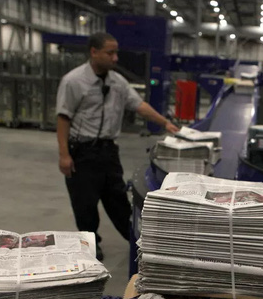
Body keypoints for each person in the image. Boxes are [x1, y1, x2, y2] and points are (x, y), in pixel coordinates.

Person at [56, 32, 179, 261]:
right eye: (109, 52)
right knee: (85, 204)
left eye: (116, 53)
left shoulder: (117, 82)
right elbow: (63, 118)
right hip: (82, 152)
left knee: (118, 200)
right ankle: (91, 243)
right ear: (94, 52)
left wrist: (165, 123)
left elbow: (139, 105)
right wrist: (64, 155)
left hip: (108, 152)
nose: (115, 58)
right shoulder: (73, 81)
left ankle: (136, 242)